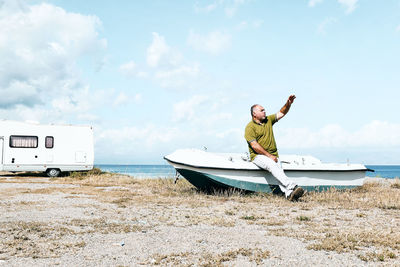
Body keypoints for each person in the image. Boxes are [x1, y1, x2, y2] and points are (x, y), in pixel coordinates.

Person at [244, 95, 304, 201]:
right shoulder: (250, 127)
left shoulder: (268, 120)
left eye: (264, 110)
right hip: (258, 156)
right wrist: (269, 156)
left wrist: (288, 103)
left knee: (278, 171)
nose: (264, 112)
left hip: (273, 156)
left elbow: (282, 112)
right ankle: (292, 186)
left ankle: (290, 195)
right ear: (254, 114)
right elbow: (254, 146)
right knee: (272, 165)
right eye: (262, 110)